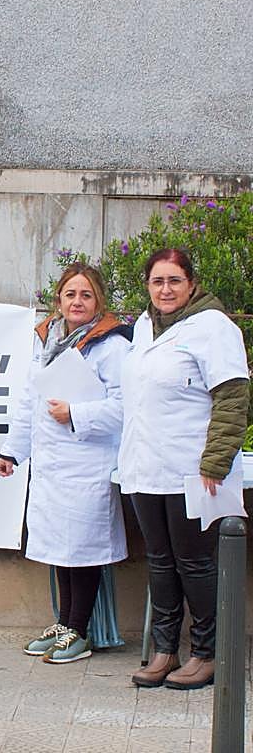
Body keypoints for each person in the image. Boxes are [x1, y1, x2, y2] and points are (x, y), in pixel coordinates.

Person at [119, 248, 249, 690]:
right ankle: (164, 649)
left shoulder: (213, 327)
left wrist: (216, 459)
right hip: (144, 467)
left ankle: (208, 653)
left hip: (192, 470)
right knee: (160, 561)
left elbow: (232, 398)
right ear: (148, 286)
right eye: (157, 281)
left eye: (174, 280)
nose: (165, 290)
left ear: (191, 283)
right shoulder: (142, 327)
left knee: (195, 562)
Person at [0, 262, 130, 664]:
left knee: (82, 550)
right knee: (59, 548)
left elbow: (126, 408)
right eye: (70, 294)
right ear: (58, 300)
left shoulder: (112, 344)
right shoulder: (47, 339)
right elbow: (29, 401)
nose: (77, 301)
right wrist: (12, 451)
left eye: (86, 295)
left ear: (98, 301)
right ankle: (64, 623)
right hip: (52, 464)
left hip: (88, 461)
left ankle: (79, 630)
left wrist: (76, 413)